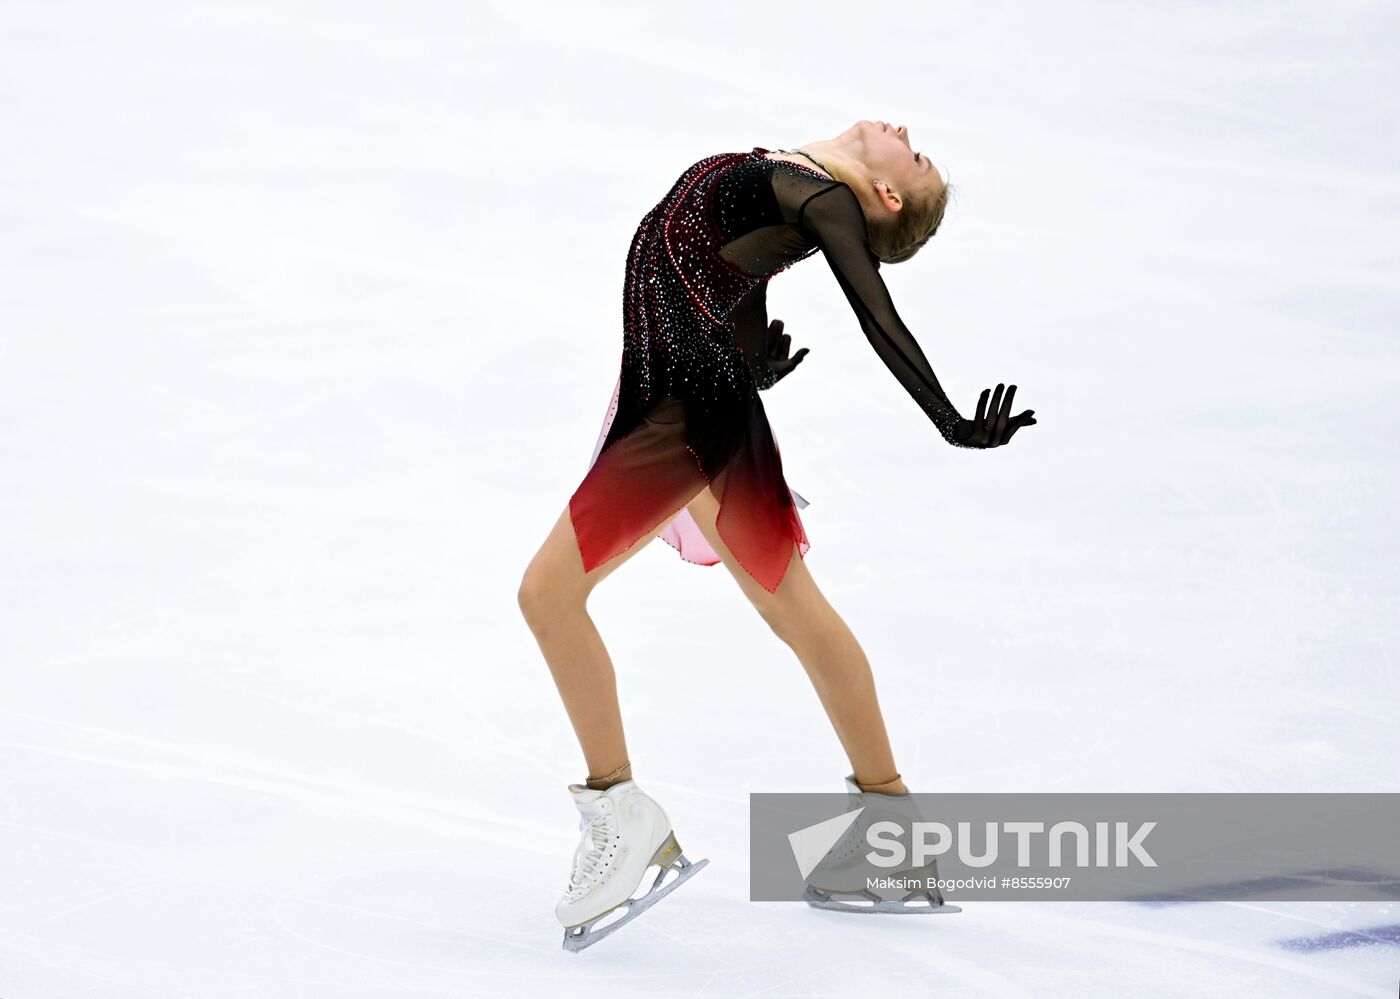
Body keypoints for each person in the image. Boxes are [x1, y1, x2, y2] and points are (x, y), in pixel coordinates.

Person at [518, 119, 1037, 949]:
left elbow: (876, 314)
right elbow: (728, 257)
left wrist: (948, 421)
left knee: (546, 595)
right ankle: (890, 827)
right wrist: (752, 347)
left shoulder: (825, 199)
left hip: (682, 415)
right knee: (793, 608)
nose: (906, 131)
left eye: (919, 153)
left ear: (888, 193)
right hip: (690, 390)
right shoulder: (787, 173)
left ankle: (623, 819)